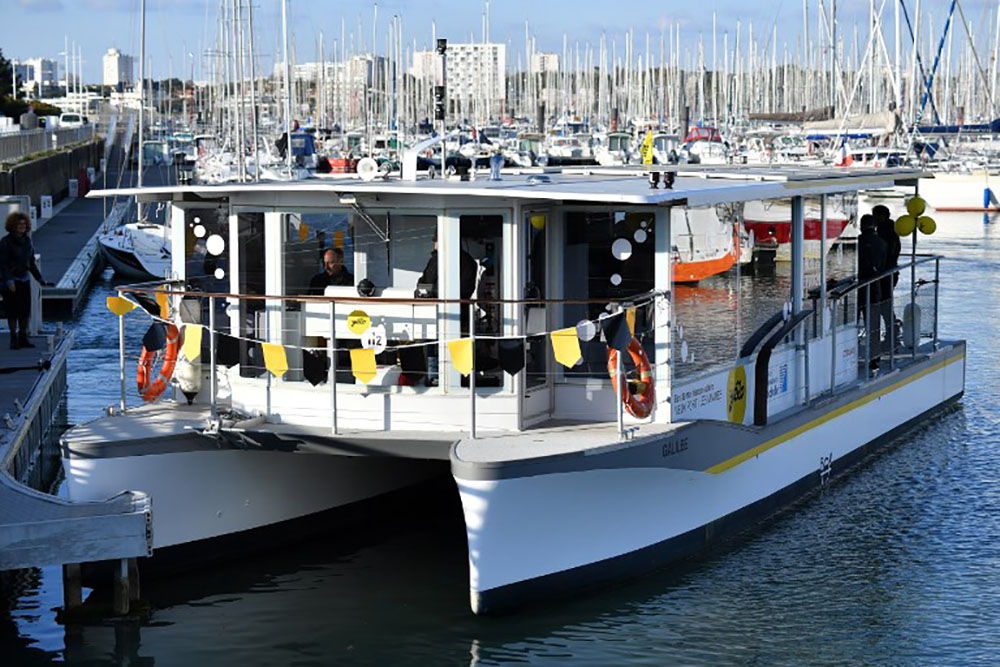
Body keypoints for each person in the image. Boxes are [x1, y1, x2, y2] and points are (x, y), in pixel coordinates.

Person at [1, 212, 50, 349]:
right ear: (13, 226)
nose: (22, 226)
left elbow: (31, 262)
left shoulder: (27, 241)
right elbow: (3, 264)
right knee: (12, 310)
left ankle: (23, 337)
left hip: (24, 278)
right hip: (12, 280)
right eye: (19, 224)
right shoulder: (6, 242)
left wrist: (40, 279)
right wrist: (9, 281)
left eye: (24, 224)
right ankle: (13, 338)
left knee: (25, 310)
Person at [857, 214, 888, 369]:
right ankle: (875, 358)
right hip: (875, 289)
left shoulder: (859, 242)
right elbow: (883, 264)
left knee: (851, 324)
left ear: (862, 225)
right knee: (873, 326)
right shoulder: (881, 242)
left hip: (857, 289)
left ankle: (849, 353)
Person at [873, 204, 902, 349]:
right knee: (886, 303)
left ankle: (892, 332)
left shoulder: (885, 233)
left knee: (884, 303)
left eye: (875, 215)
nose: (873, 218)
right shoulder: (892, 231)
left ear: (882, 216)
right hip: (891, 272)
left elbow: (885, 253)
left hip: (885, 273)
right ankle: (892, 331)